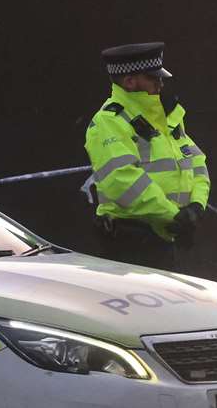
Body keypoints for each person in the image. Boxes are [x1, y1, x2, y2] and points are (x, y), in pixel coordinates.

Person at [84, 42, 210, 269]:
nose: (160, 83)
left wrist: (196, 207)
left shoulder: (165, 116)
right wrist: (175, 217)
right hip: (129, 245)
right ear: (130, 81)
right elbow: (123, 181)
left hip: (166, 238)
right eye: (153, 78)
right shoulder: (109, 121)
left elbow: (197, 162)